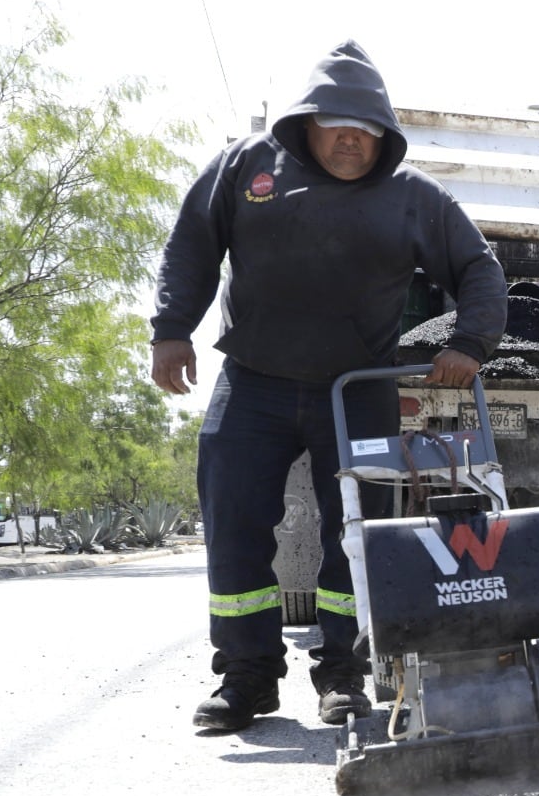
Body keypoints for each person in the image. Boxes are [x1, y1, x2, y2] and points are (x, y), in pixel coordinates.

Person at [150, 40, 508, 732]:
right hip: (252, 382)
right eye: (337, 123)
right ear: (306, 122)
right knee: (233, 523)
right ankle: (247, 677)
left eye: (367, 128)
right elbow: (192, 242)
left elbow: (479, 269)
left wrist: (469, 344)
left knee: (361, 534)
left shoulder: (413, 197)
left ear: (385, 134)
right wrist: (171, 328)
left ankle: (343, 673)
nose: (352, 138)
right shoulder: (247, 167)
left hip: (356, 391)